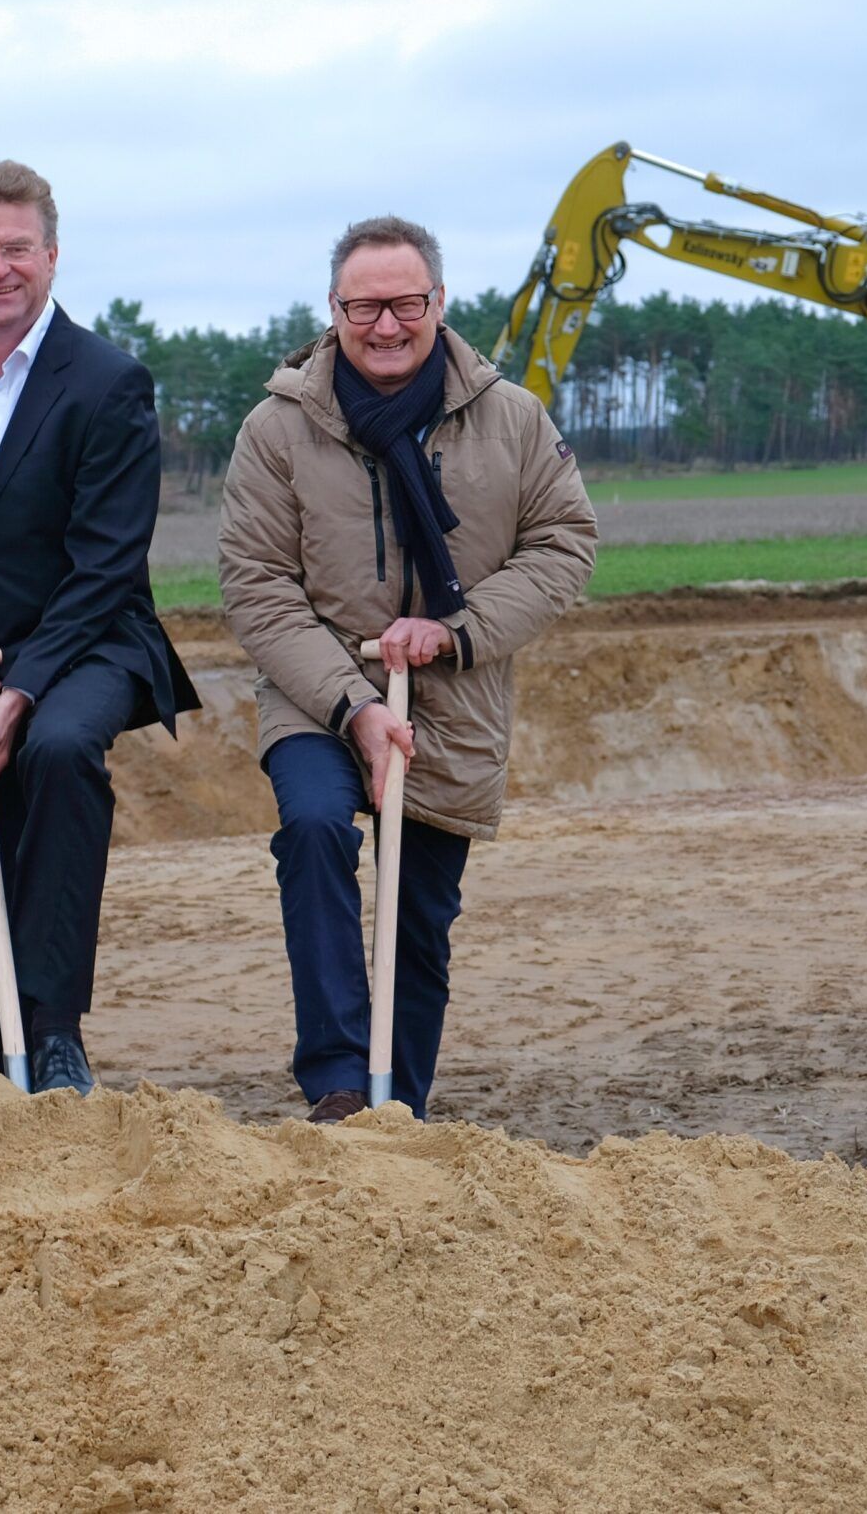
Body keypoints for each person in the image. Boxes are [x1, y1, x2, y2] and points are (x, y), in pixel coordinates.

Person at [218, 214, 597, 1123]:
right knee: (313, 832)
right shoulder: (277, 430)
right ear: (334, 310)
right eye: (364, 307)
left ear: (438, 302)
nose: (385, 326)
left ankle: (401, 1109)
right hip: (320, 692)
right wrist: (353, 704)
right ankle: (342, 1085)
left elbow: (564, 545)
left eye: (404, 304)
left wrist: (454, 633)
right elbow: (257, 583)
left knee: (420, 916)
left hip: (454, 696)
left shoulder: (511, 420)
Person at [0, 160, 198, 1093]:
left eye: (17, 248)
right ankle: (3, 1061)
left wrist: (19, 692)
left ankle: (56, 1036)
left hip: (92, 641)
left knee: (55, 752)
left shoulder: (108, 382)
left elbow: (106, 562)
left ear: (52, 256)